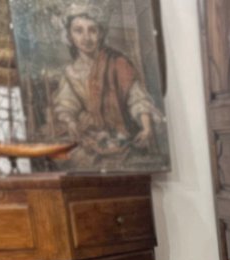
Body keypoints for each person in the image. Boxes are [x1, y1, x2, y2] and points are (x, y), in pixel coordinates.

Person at [51, 3, 164, 167]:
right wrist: (71, 123)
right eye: (78, 30)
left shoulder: (118, 62)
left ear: (101, 33)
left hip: (123, 137)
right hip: (90, 137)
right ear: (69, 36)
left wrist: (146, 128)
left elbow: (137, 98)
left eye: (92, 30)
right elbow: (66, 106)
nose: (86, 38)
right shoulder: (70, 72)